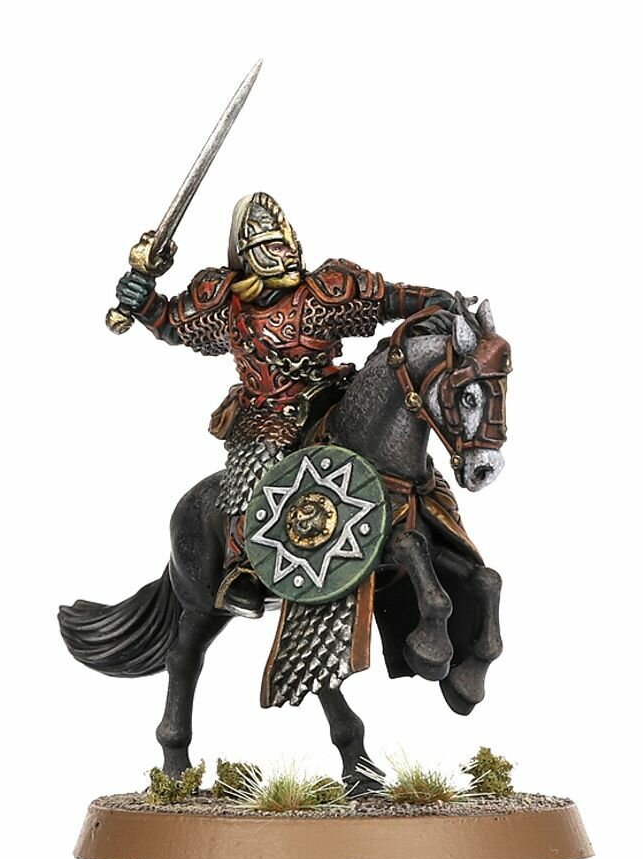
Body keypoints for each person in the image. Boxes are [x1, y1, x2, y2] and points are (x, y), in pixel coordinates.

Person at [117, 192, 458, 617]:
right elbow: (173, 324)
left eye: (288, 243)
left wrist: (433, 301)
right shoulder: (223, 301)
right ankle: (243, 566)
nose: (288, 254)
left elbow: (387, 299)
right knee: (253, 472)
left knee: (394, 443)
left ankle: (436, 515)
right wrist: (143, 300)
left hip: (332, 393)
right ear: (249, 255)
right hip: (267, 414)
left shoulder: (323, 292)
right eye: (274, 246)